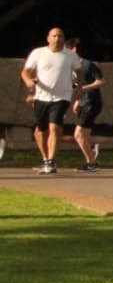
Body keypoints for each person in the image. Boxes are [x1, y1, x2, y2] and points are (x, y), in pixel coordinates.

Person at [21, 27, 82, 175]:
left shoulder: (70, 56)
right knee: (40, 132)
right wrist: (28, 80)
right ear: (48, 38)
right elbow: (26, 71)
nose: (57, 39)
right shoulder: (38, 53)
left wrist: (78, 88)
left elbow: (79, 72)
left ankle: (51, 161)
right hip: (41, 96)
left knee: (54, 128)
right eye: (54, 36)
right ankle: (45, 159)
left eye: (60, 36)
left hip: (62, 97)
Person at [65, 37, 113, 170]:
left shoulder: (87, 64)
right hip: (83, 102)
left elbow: (101, 81)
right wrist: (77, 100)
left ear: (74, 50)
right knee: (83, 136)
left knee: (79, 135)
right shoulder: (72, 67)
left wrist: (83, 89)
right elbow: (78, 85)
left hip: (92, 102)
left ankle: (91, 163)